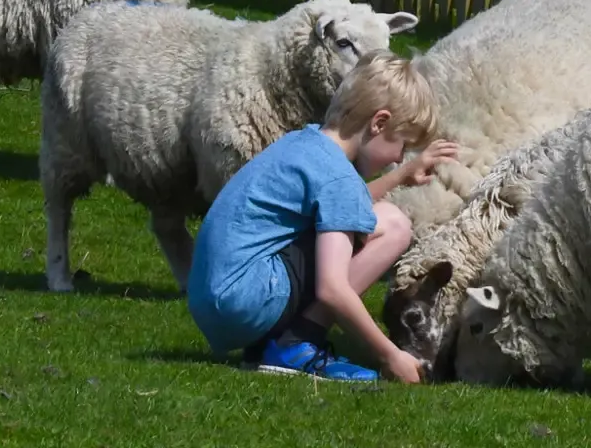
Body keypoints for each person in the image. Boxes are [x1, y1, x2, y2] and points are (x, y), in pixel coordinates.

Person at [186, 48, 459, 382]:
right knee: (394, 226)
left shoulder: (305, 144)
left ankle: (271, 346)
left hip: (213, 299)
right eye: (401, 145)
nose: (397, 158)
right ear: (379, 123)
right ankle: (296, 346)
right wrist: (390, 355)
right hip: (245, 299)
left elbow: (345, 206)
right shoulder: (337, 177)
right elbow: (332, 287)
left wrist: (402, 176)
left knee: (368, 219)